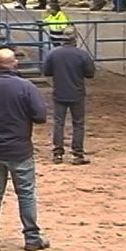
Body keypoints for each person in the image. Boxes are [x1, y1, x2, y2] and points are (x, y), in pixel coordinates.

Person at [0, 48, 49, 251]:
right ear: (15, 64)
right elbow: (40, 116)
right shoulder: (26, 87)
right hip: (20, 148)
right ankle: (31, 237)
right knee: (26, 193)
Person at [42, 27, 95, 165]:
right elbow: (90, 73)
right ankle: (78, 154)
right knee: (78, 123)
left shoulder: (53, 54)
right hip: (77, 93)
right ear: (75, 38)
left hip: (59, 92)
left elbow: (47, 72)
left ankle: (57, 154)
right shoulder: (82, 54)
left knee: (58, 123)